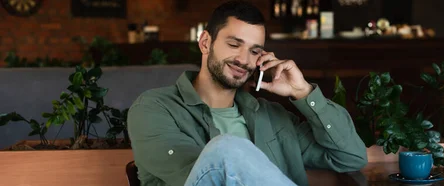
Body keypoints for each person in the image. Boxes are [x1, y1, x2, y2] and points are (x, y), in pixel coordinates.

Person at [127, 1, 367, 186]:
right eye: (234, 45)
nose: (243, 60)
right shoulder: (154, 108)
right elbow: (208, 177)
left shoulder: (272, 117)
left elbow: (351, 157)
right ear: (205, 43)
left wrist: (302, 92)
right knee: (225, 150)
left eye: (255, 51)